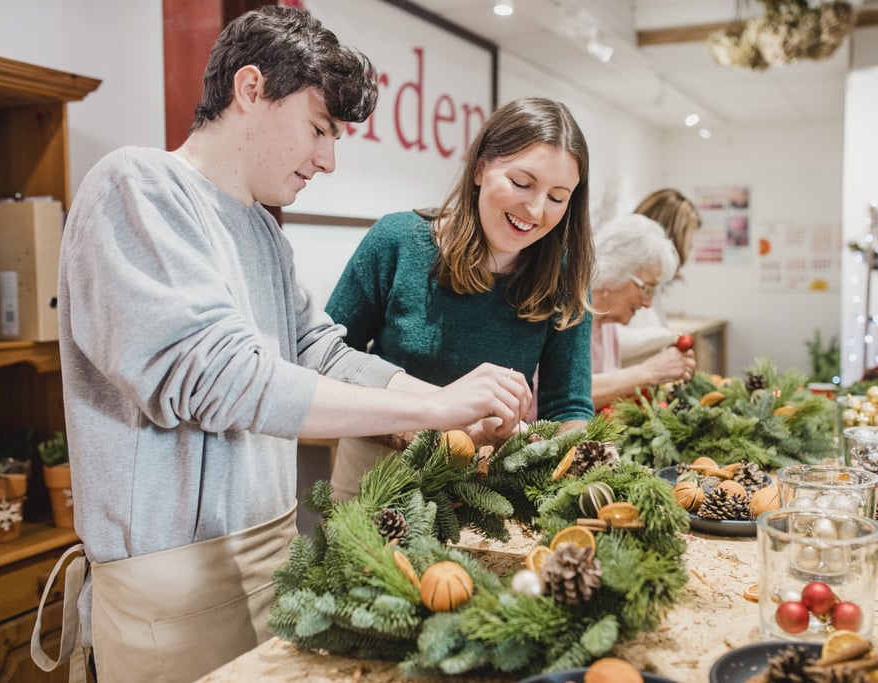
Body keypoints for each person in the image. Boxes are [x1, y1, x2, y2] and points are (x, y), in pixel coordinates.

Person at [32, 7, 530, 683]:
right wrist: (433, 413)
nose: (327, 159)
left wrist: (443, 398)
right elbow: (224, 379)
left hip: (273, 564)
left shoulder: (262, 233)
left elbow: (321, 350)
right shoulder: (137, 187)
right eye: (319, 130)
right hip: (172, 594)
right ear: (250, 89)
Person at [325, 96, 596, 500]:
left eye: (558, 197)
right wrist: (429, 426)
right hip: (376, 478)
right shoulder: (397, 241)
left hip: (490, 492)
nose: (536, 210)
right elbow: (327, 361)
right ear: (480, 166)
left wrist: (582, 453)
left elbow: (568, 406)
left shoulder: (564, 274)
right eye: (521, 183)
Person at [590, 214, 696, 410]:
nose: (648, 303)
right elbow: (565, 398)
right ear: (615, 272)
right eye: (646, 288)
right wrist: (651, 372)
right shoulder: (569, 318)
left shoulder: (606, 325)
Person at [616, 188, 702, 365]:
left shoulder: (650, 285)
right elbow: (615, 341)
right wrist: (668, 336)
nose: (689, 250)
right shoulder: (623, 279)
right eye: (689, 242)